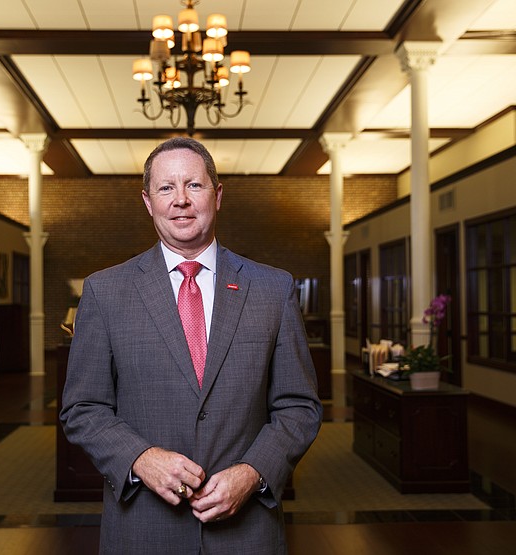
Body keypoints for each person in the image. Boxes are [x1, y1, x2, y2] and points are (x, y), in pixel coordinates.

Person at [60, 137, 322, 554]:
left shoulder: (273, 288)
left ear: (217, 196)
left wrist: (254, 472)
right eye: (166, 188)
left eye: (194, 186)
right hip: (143, 530)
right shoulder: (105, 292)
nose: (180, 200)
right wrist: (139, 458)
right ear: (148, 201)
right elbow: (82, 408)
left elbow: (299, 406)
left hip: (246, 531)